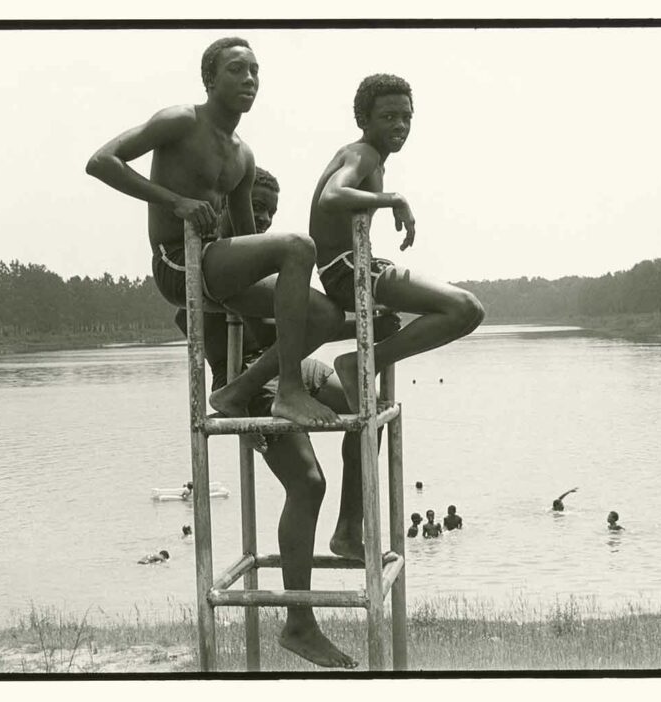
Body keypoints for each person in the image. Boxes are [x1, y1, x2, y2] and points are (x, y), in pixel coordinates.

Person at [170, 169, 398, 669]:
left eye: (272, 209)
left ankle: (347, 530)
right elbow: (215, 322)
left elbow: (306, 322)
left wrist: (367, 315)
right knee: (308, 484)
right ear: (229, 205)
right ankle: (299, 622)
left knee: (371, 408)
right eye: (257, 207)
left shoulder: (271, 269)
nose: (266, 218)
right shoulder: (213, 271)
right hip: (249, 383)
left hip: (301, 371)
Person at [86, 36, 340, 427]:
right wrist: (174, 201)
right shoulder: (181, 120)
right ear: (209, 79)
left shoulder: (244, 155)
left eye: (255, 71)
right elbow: (101, 161)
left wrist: (285, 297)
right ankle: (290, 391)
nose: (249, 79)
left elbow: (247, 235)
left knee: (324, 314)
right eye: (236, 70)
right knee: (298, 245)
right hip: (178, 263)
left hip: (218, 268)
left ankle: (235, 392)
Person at [308, 73, 485, 412]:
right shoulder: (363, 153)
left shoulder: (369, 158)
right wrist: (394, 199)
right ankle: (360, 363)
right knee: (466, 308)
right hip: (348, 271)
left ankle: (364, 366)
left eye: (406, 117)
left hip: (355, 267)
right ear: (364, 120)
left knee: (460, 310)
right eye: (389, 117)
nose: (400, 125)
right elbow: (331, 196)